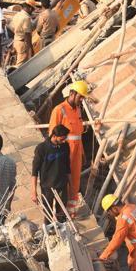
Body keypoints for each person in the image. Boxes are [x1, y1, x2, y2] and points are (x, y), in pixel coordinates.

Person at [49, 81, 89, 217]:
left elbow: (78, 134)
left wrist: (82, 152)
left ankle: (71, 209)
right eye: (80, 97)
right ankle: (60, 209)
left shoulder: (78, 110)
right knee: (63, 179)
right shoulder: (59, 110)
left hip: (77, 150)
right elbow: (52, 134)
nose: (82, 100)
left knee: (75, 179)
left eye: (83, 97)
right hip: (64, 151)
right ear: (72, 93)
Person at [31, 124, 71, 220]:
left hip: (62, 184)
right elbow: (34, 171)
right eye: (62, 139)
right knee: (48, 214)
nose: (64, 141)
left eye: (65, 138)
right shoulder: (41, 148)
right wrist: (33, 191)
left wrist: (71, 185)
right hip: (47, 186)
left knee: (61, 213)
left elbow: (67, 167)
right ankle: (49, 231)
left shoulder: (65, 146)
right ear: (54, 136)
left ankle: (62, 230)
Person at [10, 0, 35, 65]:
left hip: (16, 41)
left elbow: (12, 28)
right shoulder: (26, 18)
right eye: (33, 9)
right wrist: (31, 48)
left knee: (16, 61)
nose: (33, 11)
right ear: (30, 8)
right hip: (22, 43)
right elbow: (27, 34)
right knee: (20, 64)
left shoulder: (17, 15)